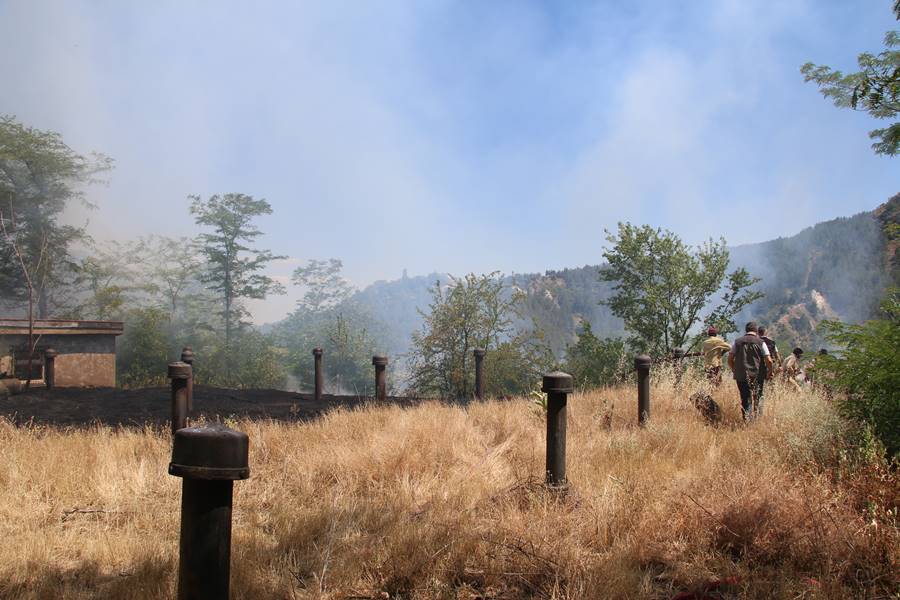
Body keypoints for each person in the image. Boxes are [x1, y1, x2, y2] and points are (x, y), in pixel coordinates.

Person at [728, 321, 773, 421]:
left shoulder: (737, 342)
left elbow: (730, 358)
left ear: (746, 330)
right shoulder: (761, 342)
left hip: (741, 376)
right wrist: (770, 372)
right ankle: (758, 420)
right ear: (756, 331)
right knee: (758, 397)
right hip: (758, 375)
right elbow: (769, 360)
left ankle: (747, 421)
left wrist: (734, 370)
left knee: (745, 398)